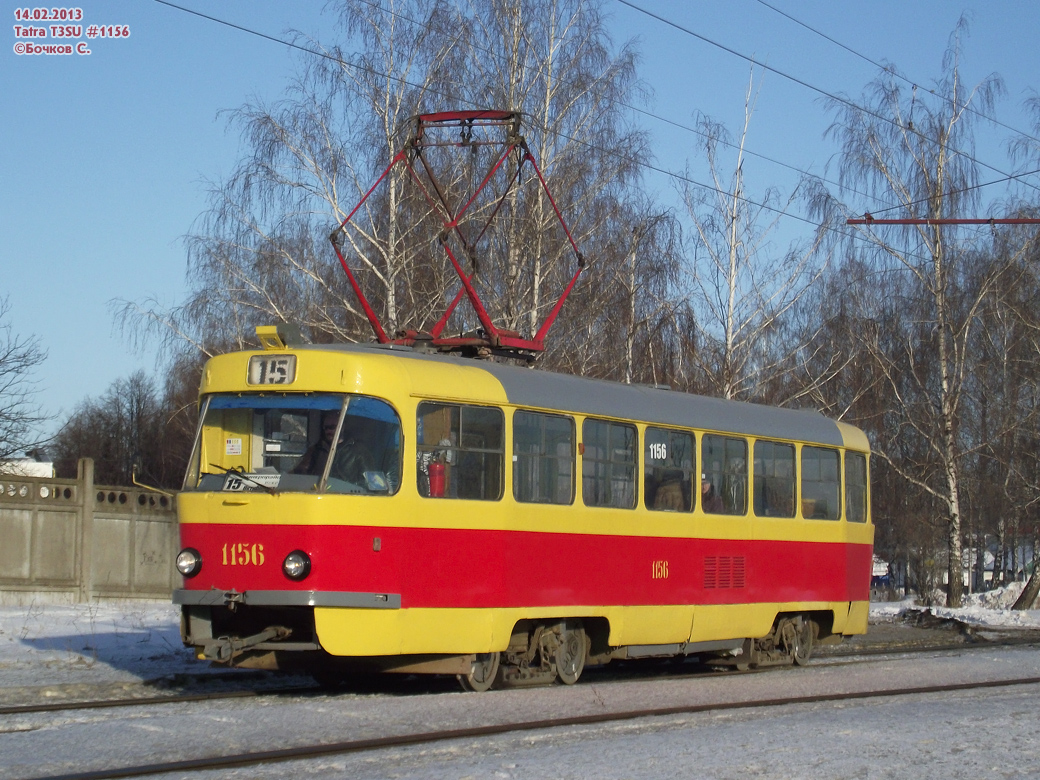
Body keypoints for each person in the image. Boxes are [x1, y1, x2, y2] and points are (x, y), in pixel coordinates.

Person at [294, 410, 376, 485]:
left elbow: (372, 483)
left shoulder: (359, 451)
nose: (328, 431)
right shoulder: (316, 450)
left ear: (342, 427)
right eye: (326, 428)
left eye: (332, 427)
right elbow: (300, 472)